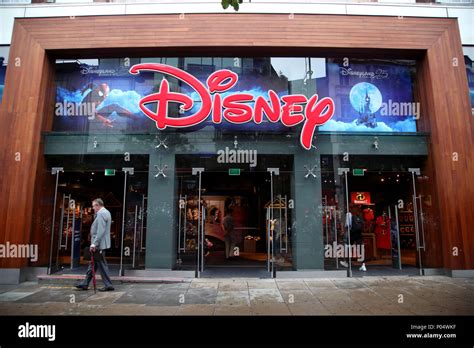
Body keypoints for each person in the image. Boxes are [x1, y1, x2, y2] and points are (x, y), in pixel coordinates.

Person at [75, 198, 114, 291]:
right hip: (100, 243)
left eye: (93, 206)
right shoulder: (106, 212)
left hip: (99, 244)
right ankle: (85, 283)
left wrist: (94, 244)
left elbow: (100, 230)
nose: (93, 208)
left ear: (97, 205)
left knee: (101, 264)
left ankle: (108, 285)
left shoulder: (101, 214)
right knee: (93, 264)